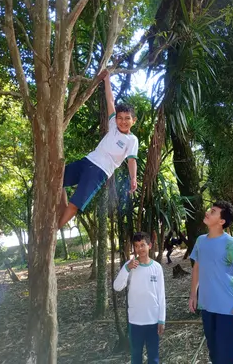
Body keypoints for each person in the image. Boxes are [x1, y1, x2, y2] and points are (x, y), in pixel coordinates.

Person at [57, 70, 139, 229]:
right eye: (120, 118)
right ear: (116, 119)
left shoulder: (132, 140)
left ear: (133, 120)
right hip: (87, 161)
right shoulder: (113, 125)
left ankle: (55, 228)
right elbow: (110, 101)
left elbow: (131, 160)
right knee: (57, 179)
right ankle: (61, 211)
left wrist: (133, 178)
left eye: (127, 118)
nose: (123, 122)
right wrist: (106, 79)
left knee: (76, 203)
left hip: (99, 172)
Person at [188, 201, 233, 364]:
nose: (208, 212)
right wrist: (193, 294)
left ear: (222, 221)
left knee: (227, 357)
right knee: (214, 353)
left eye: (213, 211)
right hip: (207, 306)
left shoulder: (230, 243)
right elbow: (196, 268)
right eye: (210, 209)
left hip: (227, 308)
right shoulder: (201, 241)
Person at [114, 232, 166, 364]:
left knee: (153, 356)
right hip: (135, 320)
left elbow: (161, 295)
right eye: (136, 246)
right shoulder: (130, 266)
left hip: (153, 320)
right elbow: (117, 286)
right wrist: (126, 268)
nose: (140, 249)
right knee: (136, 356)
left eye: (143, 245)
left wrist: (161, 319)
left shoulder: (157, 268)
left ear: (149, 245)